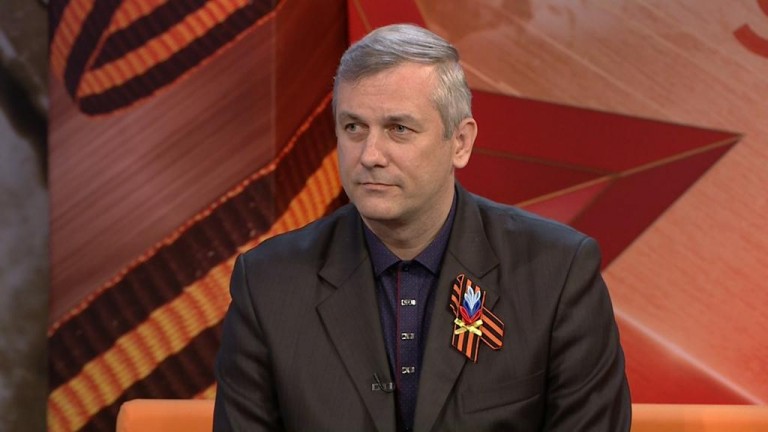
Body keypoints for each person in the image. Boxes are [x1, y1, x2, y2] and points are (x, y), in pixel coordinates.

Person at [213, 23, 631, 431]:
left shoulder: (557, 273)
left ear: (460, 142)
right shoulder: (269, 283)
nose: (370, 155)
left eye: (398, 129)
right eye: (354, 127)